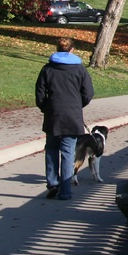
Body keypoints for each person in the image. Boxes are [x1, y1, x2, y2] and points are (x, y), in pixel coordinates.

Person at [35, 37, 94, 200]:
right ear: (72, 50)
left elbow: (40, 93)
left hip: (53, 115)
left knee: (52, 149)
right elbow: (88, 93)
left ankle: (53, 184)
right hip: (72, 116)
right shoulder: (80, 70)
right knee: (68, 152)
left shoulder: (48, 69)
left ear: (57, 49)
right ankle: (66, 191)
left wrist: (45, 107)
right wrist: (77, 105)